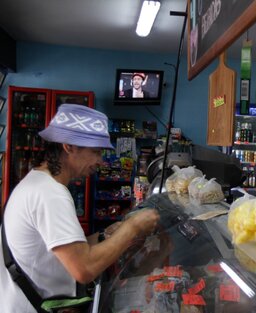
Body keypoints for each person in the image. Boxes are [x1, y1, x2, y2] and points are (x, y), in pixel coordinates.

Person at [0, 104, 160, 312]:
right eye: (95, 152)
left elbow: (69, 249)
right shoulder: (50, 194)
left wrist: (108, 233)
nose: (100, 161)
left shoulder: (38, 183)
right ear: (69, 146)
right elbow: (84, 269)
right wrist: (133, 227)